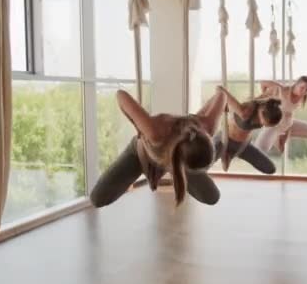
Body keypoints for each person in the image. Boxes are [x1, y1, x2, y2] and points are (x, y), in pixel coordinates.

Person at [90, 89, 227, 207]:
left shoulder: (207, 126)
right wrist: (138, 126)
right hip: (142, 154)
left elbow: (221, 94)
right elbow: (121, 95)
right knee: (97, 199)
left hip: (176, 154)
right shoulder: (154, 131)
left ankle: (173, 166)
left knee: (211, 197)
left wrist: (201, 113)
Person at [213, 86, 283, 174]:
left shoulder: (265, 104)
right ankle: (227, 153)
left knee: (270, 169)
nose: (263, 125)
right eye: (264, 123)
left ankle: (229, 155)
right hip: (224, 140)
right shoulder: (245, 111)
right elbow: (219, 89)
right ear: (261, 112)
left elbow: (275, 89)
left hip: (242, 146)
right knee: (201, 163)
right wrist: (222, 103)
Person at [254, 75, 307, 153]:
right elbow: (263, 83)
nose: (304, 91)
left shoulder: (301, 98)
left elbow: (290, 114)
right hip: (274, 125)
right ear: (296, 84)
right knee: (260, 149)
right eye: (302, 87)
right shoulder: (282, 90)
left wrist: (284, 138)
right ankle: (276, 137)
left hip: (287, 125)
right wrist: (265, 97)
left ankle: (279, 136)